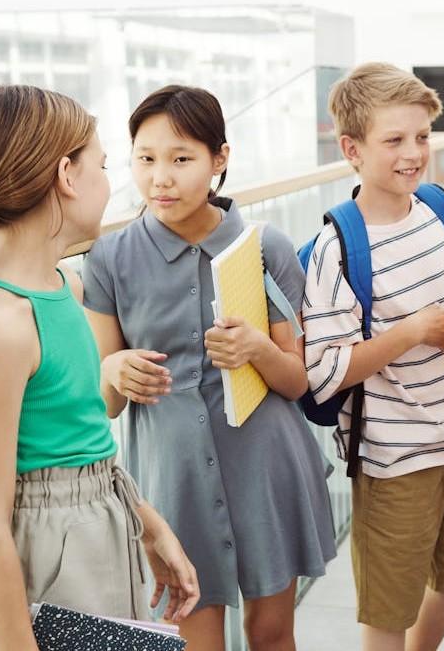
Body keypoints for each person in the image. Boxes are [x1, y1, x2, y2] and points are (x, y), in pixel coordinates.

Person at [0, 85, 199, 651]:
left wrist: (148, 524)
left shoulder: (66, 288)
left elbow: (81, 442)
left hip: (99, 541)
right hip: (47, 571)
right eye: (102, 165)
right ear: (67, 177)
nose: (111, 181)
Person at [82, 85, 337, 651]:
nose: (160, 178)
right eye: (145, 159)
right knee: (194, 641)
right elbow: (105, 402)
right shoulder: (109, 260)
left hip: (265, 465)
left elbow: (298, 381)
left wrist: (258, 351)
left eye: (181, 159)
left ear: (219, 159)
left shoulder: (265, 246)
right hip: (174, 482)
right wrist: (115, 368)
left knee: (271, 635)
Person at [302, 62, 444, 651]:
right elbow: (326, 372)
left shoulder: (439, 208)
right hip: (392, 458)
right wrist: (409, 331)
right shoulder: (337, 246)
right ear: (352, 149)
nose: (413, 154)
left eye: (420, 138)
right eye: (394, 141)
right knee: (389, 608)